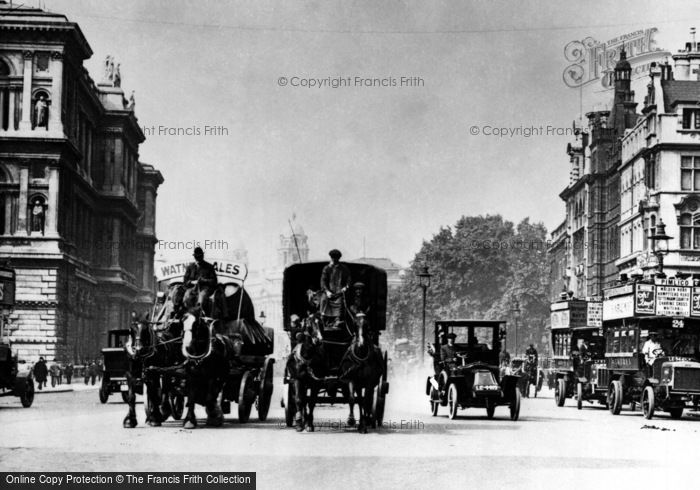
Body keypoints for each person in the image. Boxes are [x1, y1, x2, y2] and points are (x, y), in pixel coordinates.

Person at [319, 249, 351, 328]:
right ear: (331, 258)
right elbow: (323, 281)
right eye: (333, 258)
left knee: (341, 302)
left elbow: (349, 279)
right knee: (323, 299)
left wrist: (345, 287)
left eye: (336, 258)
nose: (335, 260)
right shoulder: (327, 268)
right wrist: (327, 291)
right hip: (329, 291)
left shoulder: (344, 268)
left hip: (339, 292)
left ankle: (337, 319)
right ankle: (323, 318)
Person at [182, 246, 218, 316]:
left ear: (202, 256)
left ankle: (200, 314)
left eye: (199, 257)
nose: (198, 259)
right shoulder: (190, 267)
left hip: (205, 289)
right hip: (192, 288)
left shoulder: (209, 267)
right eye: (196, 257)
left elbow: (214, 281)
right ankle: (189, 313)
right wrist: (192, 282)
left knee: (202, 297)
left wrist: (203, 281)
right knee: (187, 296)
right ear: (194, 257)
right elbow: (185, 281)